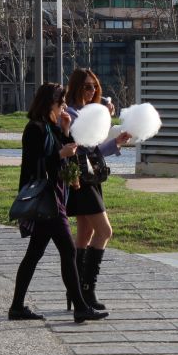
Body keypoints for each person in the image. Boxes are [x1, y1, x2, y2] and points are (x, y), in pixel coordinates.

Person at [8, 82, 107, 324]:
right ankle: (81, 307)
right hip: (47, 199)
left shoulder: (51, 127)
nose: (64, 106)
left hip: (55, 197)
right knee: (69, 250)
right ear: (50, 103)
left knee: (34, 253)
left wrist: (65, 131)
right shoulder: (34, 129)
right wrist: (60, 154)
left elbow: (60, 157)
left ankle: (17, 306)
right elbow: (34, 165)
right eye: (61, 102)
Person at [63, 69, 131, 311]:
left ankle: (76, 291)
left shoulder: (88, 112)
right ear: (76, 88)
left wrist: (117, 142)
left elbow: (95, 151)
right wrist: (100, 114)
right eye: (87, 87)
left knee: (85, 235)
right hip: (80, 181)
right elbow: (79, 147)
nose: (92, 91)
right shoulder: (70, 113)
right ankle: (87, 290)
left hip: (92, 178)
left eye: (94, 87)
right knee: (105, 231)